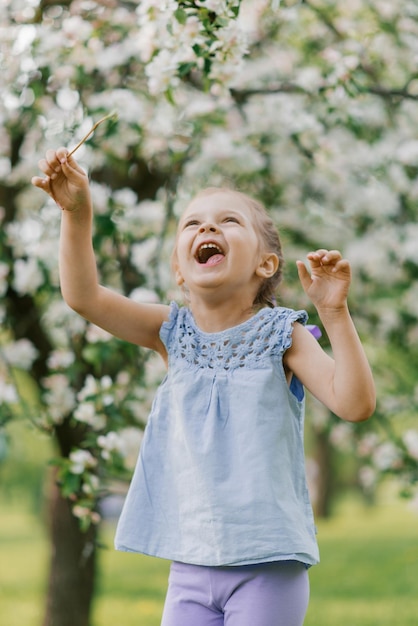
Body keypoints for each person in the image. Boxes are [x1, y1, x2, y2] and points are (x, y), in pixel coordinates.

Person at [32, 147, 375, 626]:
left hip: (267, 565)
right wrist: (76, 211)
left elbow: (355, 404)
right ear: (179, 268)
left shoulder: (283, 334)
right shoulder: (171, 332)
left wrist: (334, 313)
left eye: (229, 221)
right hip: (190, 565)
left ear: (266, 265)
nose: (207, 229)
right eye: (192, 224)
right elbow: (84, 296)